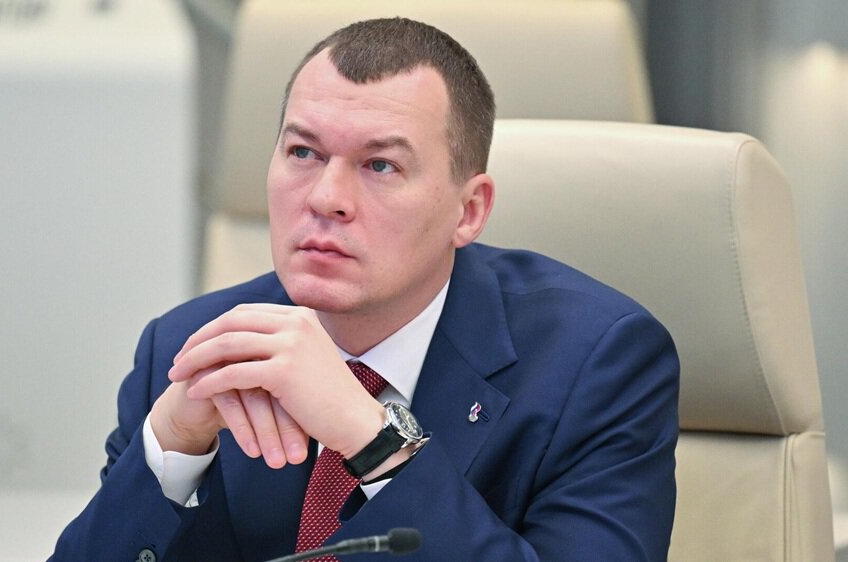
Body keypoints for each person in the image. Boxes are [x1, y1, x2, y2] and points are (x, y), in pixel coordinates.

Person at [51, 17, 679, 561]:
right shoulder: (186, 349)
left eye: (381, 165)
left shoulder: (596, 364)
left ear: (469, 211)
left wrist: (374, 440)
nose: (326, 197)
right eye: (303, 152)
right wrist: (171, 450)